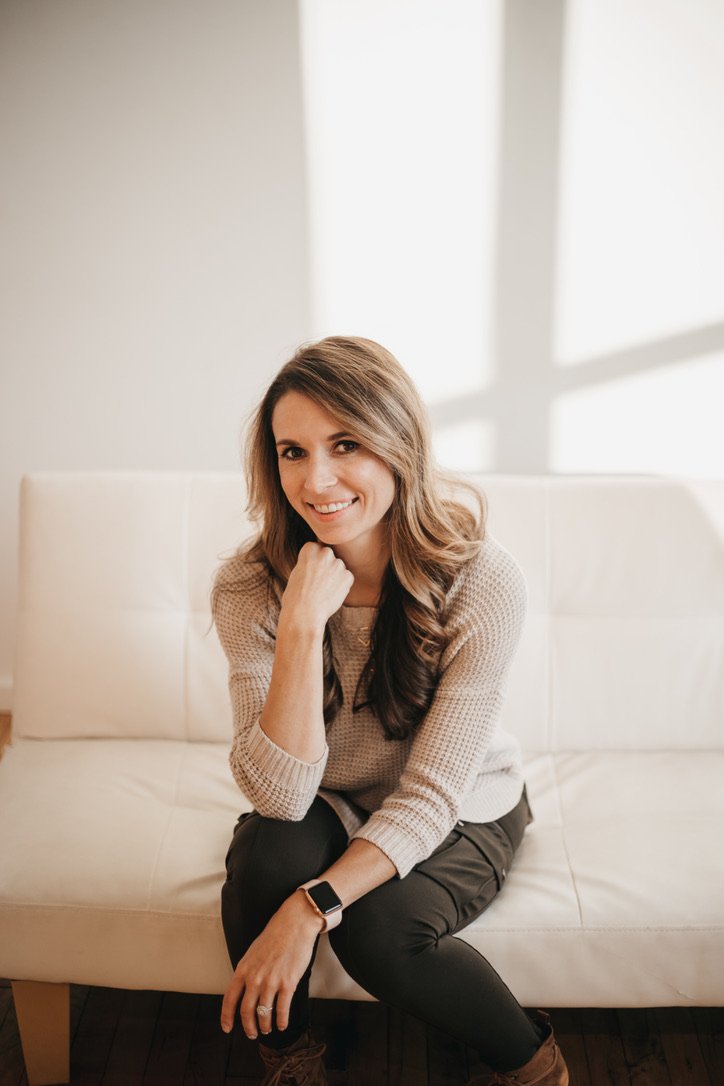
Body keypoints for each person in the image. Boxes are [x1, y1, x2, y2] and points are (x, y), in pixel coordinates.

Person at [212, 336, 568, 1086]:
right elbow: (280, 797)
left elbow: (430, 796)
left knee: (375, 930)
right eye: (292, 451)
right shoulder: (249, 585)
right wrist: (301, 625)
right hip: (330, 796)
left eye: (346, 444)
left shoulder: (481, 579)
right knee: (265, 861)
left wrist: (310, 908)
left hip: (464, 803)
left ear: (399, 444)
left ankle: (535, 1066)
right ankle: (290, 1057)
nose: (317, 480)